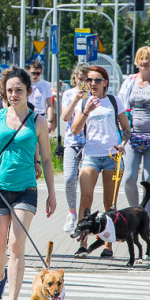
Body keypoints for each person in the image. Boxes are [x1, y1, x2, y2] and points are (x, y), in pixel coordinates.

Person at [0, 67, 56, 300]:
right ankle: (0, 276)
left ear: (29, 92)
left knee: (16, 246)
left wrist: (52, 194)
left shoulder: (38, 121)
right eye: (10, 90)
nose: (14, 94)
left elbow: (46, 159)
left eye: (19, 90)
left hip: (26, 189)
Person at [71, 65, 130, 258]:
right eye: (89, 80)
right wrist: (86, 110)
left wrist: (122, 144)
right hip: (91, 156)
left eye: (97, 80)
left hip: (113, 157)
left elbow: (126, 130)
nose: (93, 84)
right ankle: (82, 243)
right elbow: (74, 130)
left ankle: (108, 246)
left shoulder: (114, 101)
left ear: (105, 82)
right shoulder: (84, 103)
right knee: (85, 198)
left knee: (109, 203)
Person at [118, 46, 150, 216]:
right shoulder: (129, 82)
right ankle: (136, 212)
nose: (144, 62)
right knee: (128, 178)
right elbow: (121, 107)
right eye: (141, 58)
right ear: (137, 61)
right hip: (132, 137)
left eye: (148, 59)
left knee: (148, 180)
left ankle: (147, 216)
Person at [60, 63, 90, 233]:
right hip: (72, 142)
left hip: (89, 143)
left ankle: (83, 217)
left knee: (86, 183)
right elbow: (65, 117)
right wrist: (76, 99)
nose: (83, 83)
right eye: (80, 79)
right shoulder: (69, 94)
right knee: (69, 178)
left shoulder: (94, 95)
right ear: (75, 78)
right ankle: (72, 212)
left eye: (87, 79)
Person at [26, 61, 56, 133]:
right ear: (29, 71)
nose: (35, 76)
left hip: (41, 116)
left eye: (38, 73)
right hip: (27, 117)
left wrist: (49, 121)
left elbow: (49, 105)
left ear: (41, 73)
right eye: (33, 73)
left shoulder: (46, 84)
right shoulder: (26, 84)